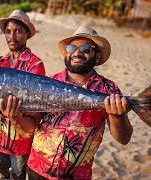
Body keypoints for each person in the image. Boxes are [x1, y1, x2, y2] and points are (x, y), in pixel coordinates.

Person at [27, 26, 133, 179]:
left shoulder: (108, 89)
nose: (77, 53)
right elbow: (31, 126)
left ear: (96, 56)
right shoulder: (49, 82)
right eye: (72, 48)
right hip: (37, 169)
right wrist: (13, 116)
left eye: (85, 49)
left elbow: (123, 138)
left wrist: (118, 116)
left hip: (76, 175)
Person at [0, 10, 45, 179]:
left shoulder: (35, 64)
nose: (12, 36)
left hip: (21, 137)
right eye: (8, 31)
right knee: (4, 173)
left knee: (18, 175)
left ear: (27, 34)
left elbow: (36, 104)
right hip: (1, 136)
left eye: (18, 31)